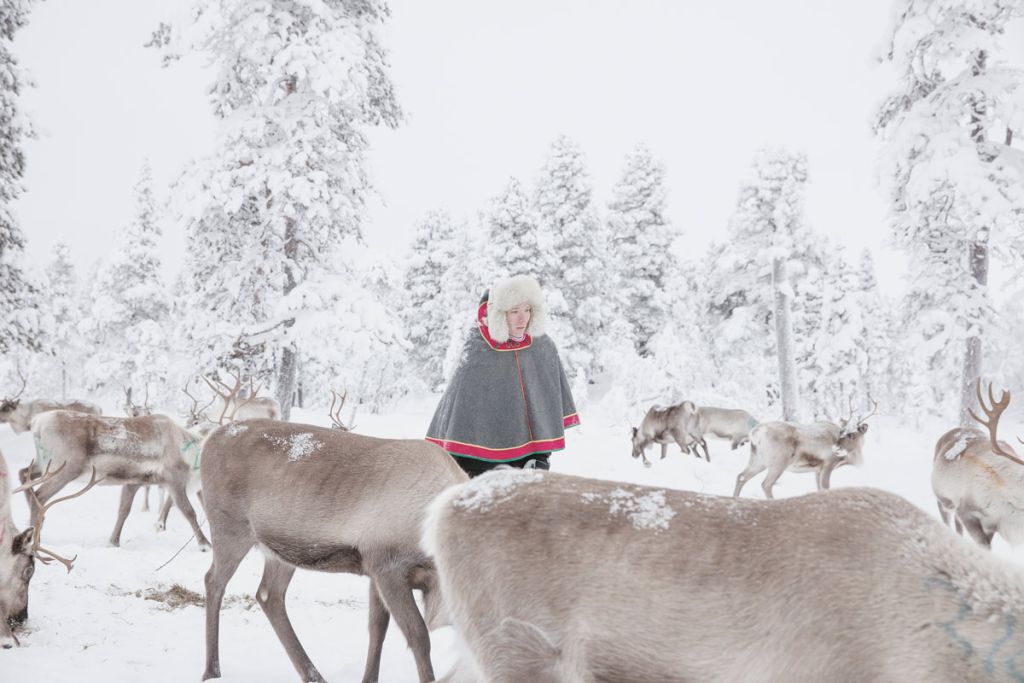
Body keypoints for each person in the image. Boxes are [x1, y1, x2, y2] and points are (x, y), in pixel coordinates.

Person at [426, 274, 580, 477]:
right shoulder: (478, 349)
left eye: (527, 310)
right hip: (478, 463)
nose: (522, 318)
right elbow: (460, 411)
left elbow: (545, 405)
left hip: (528, 463)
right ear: (499, 315)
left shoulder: (542, 346)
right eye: (514, 311)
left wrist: (541, 456)